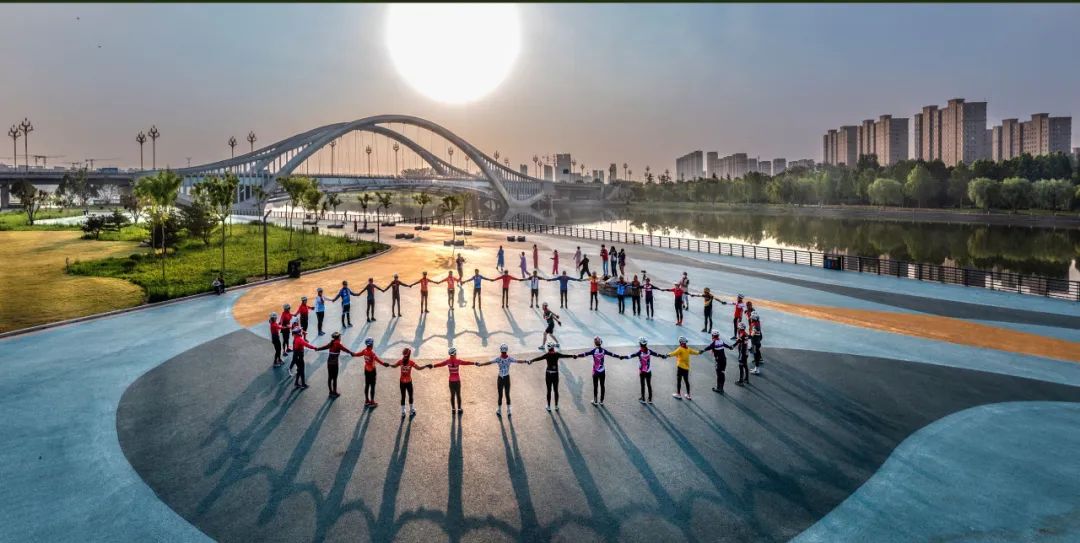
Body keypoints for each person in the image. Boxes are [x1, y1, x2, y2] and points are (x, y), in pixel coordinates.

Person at [476, 343, 526, 416]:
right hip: (507, 378)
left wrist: (481, 364)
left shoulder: (498, 359)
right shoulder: (509, 358)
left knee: (500, 395)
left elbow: (489, 362)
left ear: (500, 350)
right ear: (507, 350)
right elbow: (518, 361)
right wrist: (526, 361)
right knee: (507, 394)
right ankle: (508, 410)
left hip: (500, 378)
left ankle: (499, 410)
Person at [572, 336, 620, 406]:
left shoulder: (593, 351)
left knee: (595, 386)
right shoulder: (604, 351)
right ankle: (601, 401)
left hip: (595, 372)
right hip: (602, 371)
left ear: (594, 343)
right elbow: (612, 354)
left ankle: (595, 401)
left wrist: (577, 355)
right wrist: (619, 356)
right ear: (601, 343)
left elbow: (585, 354)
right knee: (602, 385)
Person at [620, 337, 668, 404]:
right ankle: (650, 399)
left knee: (642, 385)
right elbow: (657, 354)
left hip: (642, 372)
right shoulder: (649, 351)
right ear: (646, 344)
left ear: (640, 344)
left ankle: (643, 399)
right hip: (648, 371)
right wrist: (663, 356)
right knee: (649, 385)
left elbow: (630, 356)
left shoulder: (640, 352)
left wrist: (622, 357)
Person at [430, 347, 476, 414]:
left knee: (452, 395)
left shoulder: (447, 361)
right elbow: (466, 363)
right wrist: (474, 363)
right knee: (458, 395)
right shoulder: (458, 361)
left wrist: (433, 366)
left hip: (451, 381)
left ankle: (453, 410)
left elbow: (440, 364)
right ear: (455, 354)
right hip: (457, 381)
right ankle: (459, 409)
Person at [530, 343, 574, 411]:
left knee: (549, 390)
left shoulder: (547, 355)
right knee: (556, 390)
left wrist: (531, 360)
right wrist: (573, 356)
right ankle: (556, 406)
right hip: (555, 374)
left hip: (548, 374)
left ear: (548, 348)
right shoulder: (557, 354)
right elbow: (565, 356)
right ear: (553, 348)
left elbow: (539, 358)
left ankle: (548, 406)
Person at [316, 331, 356, 397]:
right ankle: (334, 392)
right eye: (340, 336)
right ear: (338, 337)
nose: (340, 337)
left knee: (330, 377)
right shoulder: (338, 343)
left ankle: (330, 392)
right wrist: (351, 353)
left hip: (329, 362)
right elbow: (345, 349)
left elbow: (325, 347)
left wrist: (317, 349)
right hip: (334, 364)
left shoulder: (331, 342)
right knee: (334, 378)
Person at [389, 347, 426, 417]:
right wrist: (426, 366)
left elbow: (394, 366)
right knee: (410, 396)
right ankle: (411, 410)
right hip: (409, 382)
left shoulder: (400, 361)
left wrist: (388, 364)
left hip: (402, 382)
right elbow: (419, 368)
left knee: (403, 396)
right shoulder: (411, 362)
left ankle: (403, 412)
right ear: (409, 355)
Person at [356, 337, 388, 408]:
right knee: (372, 386)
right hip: (372, 371)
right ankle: (372, 402)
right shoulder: (372, 353)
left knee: (367, 385)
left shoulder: (364, 351)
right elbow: (377, 359)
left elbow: (358, 354)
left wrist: (353, 354)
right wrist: (384, 364)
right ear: (372, 344)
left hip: (366, 370)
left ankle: (367, 400)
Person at [667, 336, 700, 400]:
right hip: (686, 368)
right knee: (686, 381)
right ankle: (688, 395)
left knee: (679, 381)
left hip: (680, 367)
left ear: (680, 342)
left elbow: (673, 353)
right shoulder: (688, 349)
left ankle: (678, 394)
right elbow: (695, 352)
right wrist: (699, 352)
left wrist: (667, 355)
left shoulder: (680, 349)